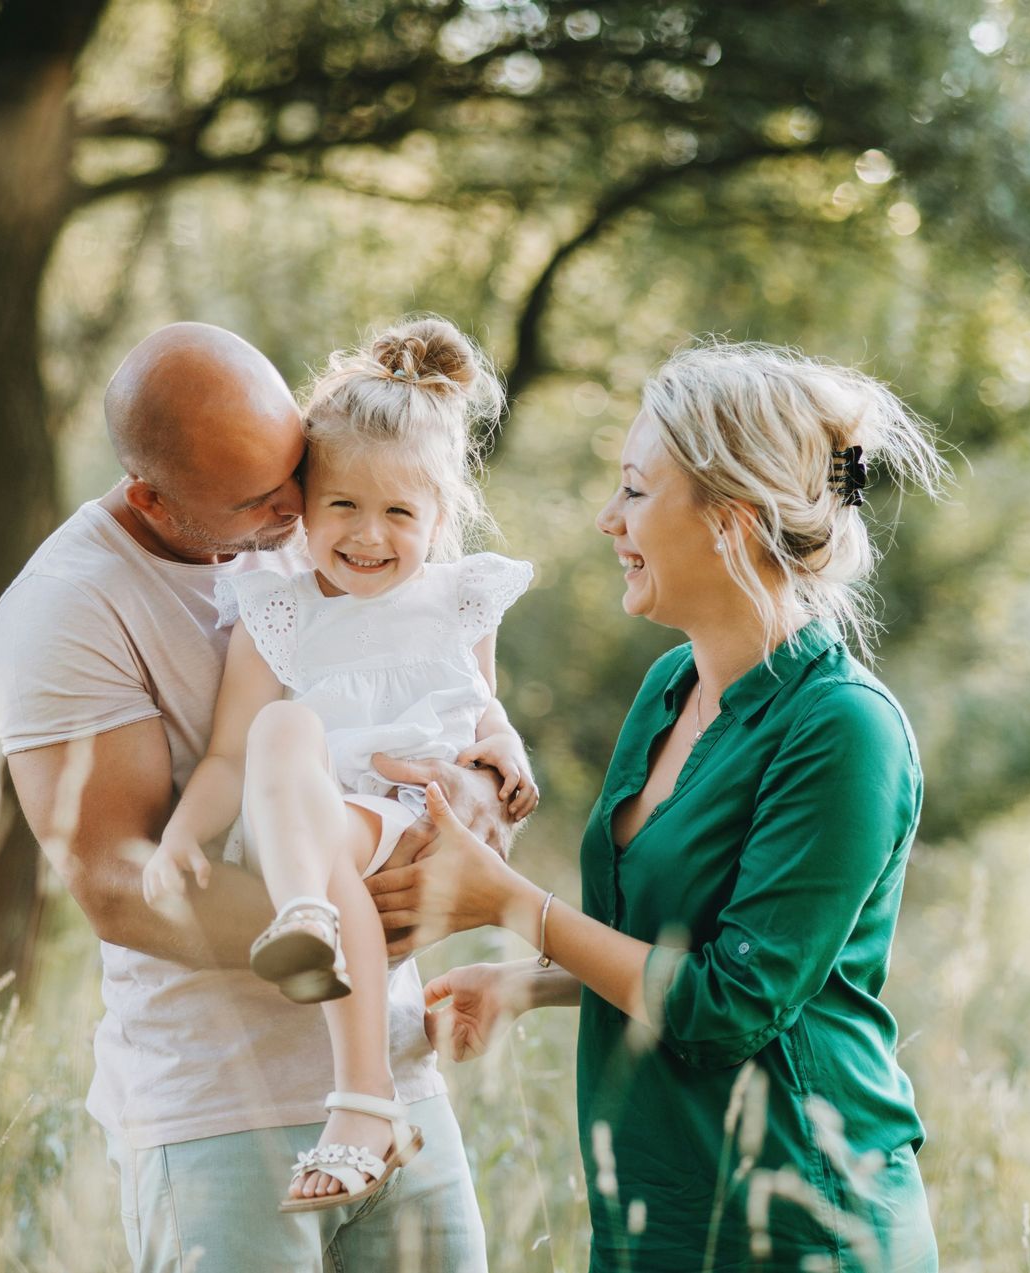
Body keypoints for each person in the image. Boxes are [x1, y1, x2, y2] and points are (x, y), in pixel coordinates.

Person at [368, 342, 948, 1271]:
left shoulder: (844, 731)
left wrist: (508, 900)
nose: (608, 519)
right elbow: (675, 946)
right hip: (652, 1211)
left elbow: (729, 1003)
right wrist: (529, 982)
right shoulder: (672, 685)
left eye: (635, 490)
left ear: (733, 518)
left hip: (797, 1220)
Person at [0, 322, 504, 1271]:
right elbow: (114, 880)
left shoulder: (335, 522)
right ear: (153, 498)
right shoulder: (67, 608)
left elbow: (445, 698)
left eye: (299, 470)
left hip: (396, 1081)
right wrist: (371, 928)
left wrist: (473, 794)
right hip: (218, 1110)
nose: (301, 509)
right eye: (265, 500)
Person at [143, 316, 537, 1214]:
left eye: (400, 511)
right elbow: (230, 753)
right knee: (284, 733)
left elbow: (481, 705)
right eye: (344, 507)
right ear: (304, 508)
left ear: (440, 516)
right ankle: (314, 932)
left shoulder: (457, 601)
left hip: (399, 811)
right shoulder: (278, 611)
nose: (368, 534)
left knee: (330, 825)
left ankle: (361, 1094)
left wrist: (506, 747)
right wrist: (179, 834)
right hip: (300, 823)